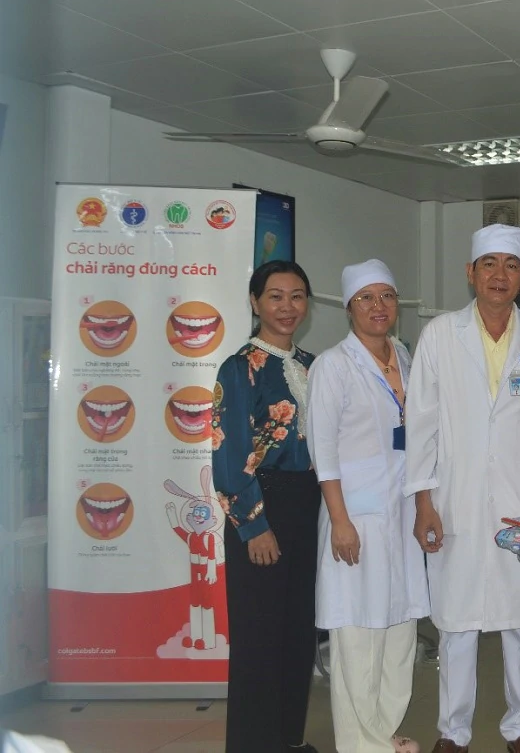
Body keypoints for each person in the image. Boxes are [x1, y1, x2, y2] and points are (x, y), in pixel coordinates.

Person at [406, 224, 520, 753]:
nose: (500, 275)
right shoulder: (439, 336)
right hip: (455, 497)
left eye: (511, 266)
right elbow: (421, 425)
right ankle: (453, 732)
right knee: (456, 623)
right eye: (490, 264)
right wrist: (424, 502)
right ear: (470, 273)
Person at [306, 260, 428, 753]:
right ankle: (361, 744)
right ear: (349, 307)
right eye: (366, 298)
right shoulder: (333, 366)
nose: (379, 306)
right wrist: (339, 520)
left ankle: (385, 729)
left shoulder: (405, 356)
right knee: (357, 632)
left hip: (400, 512)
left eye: (387, 296)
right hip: (354, 515)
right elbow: (323, 450)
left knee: (400, 627)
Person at [211, 260, 320, 753]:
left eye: (297, 296)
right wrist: (253, 526)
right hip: (262, 507)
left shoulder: (314, 365)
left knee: (298, 631)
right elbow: (229, 453)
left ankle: (287, 741)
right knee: (259, 636)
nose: (287, 306)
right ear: (255, 302)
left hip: (308, 504)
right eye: (275, 296)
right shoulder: (239, 368)